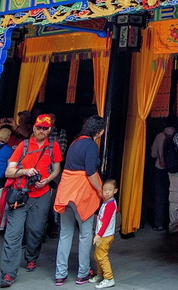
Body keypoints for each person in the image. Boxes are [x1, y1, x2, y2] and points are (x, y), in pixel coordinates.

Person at [0, 113, 63, 288]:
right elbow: (8, 172)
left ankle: (31, 258)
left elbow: (57, 168)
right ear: (34, 127)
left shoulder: (53, 147)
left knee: (36, 230)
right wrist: (24, 171)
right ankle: (8, 273)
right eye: (39, 127)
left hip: (41, 194)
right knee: (13, 234)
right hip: (20, 194)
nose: (41, 131)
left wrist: (48, 180)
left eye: (45, 128)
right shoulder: (24, 145)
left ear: (50, 129)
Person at [53, 116, 105, 286]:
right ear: (99, 131)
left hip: (66, 189)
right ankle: (83, 273)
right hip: (81, 192)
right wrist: (100, 190)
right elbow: (90, 172)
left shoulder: (75, 142)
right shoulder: (91, 145)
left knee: (65, 234)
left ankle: (60, 274)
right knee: (85, 234)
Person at [91, 179, 118, 289]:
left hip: (105, 235)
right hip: (102, 235)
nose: (106, 192)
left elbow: (106, 222)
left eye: (110, 190)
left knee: (102, 257)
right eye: (105, 190)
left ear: (115, 191)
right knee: (97, 256)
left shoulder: (110, 204)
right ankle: (100, 275)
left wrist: (98, 235)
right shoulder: (106, 202)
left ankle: (109, 278)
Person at [149, 123, 175, 231]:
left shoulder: (160, 135)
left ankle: (158, 223)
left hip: (159, 168)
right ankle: (170, 223)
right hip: (173, 169)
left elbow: (153, 154)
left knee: (160, 196)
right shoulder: (176, 135)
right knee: (172, 196)